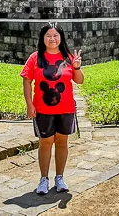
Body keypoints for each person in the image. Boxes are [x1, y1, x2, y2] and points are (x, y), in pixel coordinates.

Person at [21, 22, 84, 195]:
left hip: (65, 109)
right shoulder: (35, 57)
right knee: (45, 142)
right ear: (43, 38)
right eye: (48, 36)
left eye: (55, 35)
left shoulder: (68, 57)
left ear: (61, 38)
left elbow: (79, 80)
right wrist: (29, 104)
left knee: (62, 142)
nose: (52, 39)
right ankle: (43, 179)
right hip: (43, 110)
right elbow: (27, 81)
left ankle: (60, 177)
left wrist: (77, 67)